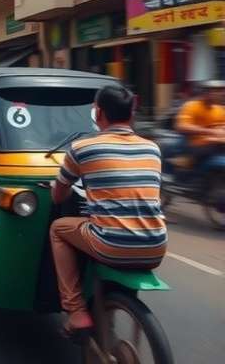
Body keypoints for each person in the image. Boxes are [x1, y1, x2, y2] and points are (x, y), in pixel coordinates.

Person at [50, 85, 166, 334]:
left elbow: (58, 195)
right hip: (156, 246)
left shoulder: (82, 148)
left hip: (112, 245)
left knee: (59, 229)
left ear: (98, 112)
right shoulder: (153, 148)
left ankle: (76, 311)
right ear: (132, 113)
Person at [174, 80, 225, 168]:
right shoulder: (191, 106)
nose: (221, 94)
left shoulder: (219, 109)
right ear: (206, 93)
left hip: (216, 143)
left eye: (222, 91)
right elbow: (182, 126)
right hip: (196, 144)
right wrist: (210, 132)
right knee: (206, 150)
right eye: (217, 91)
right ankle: (185, 165)